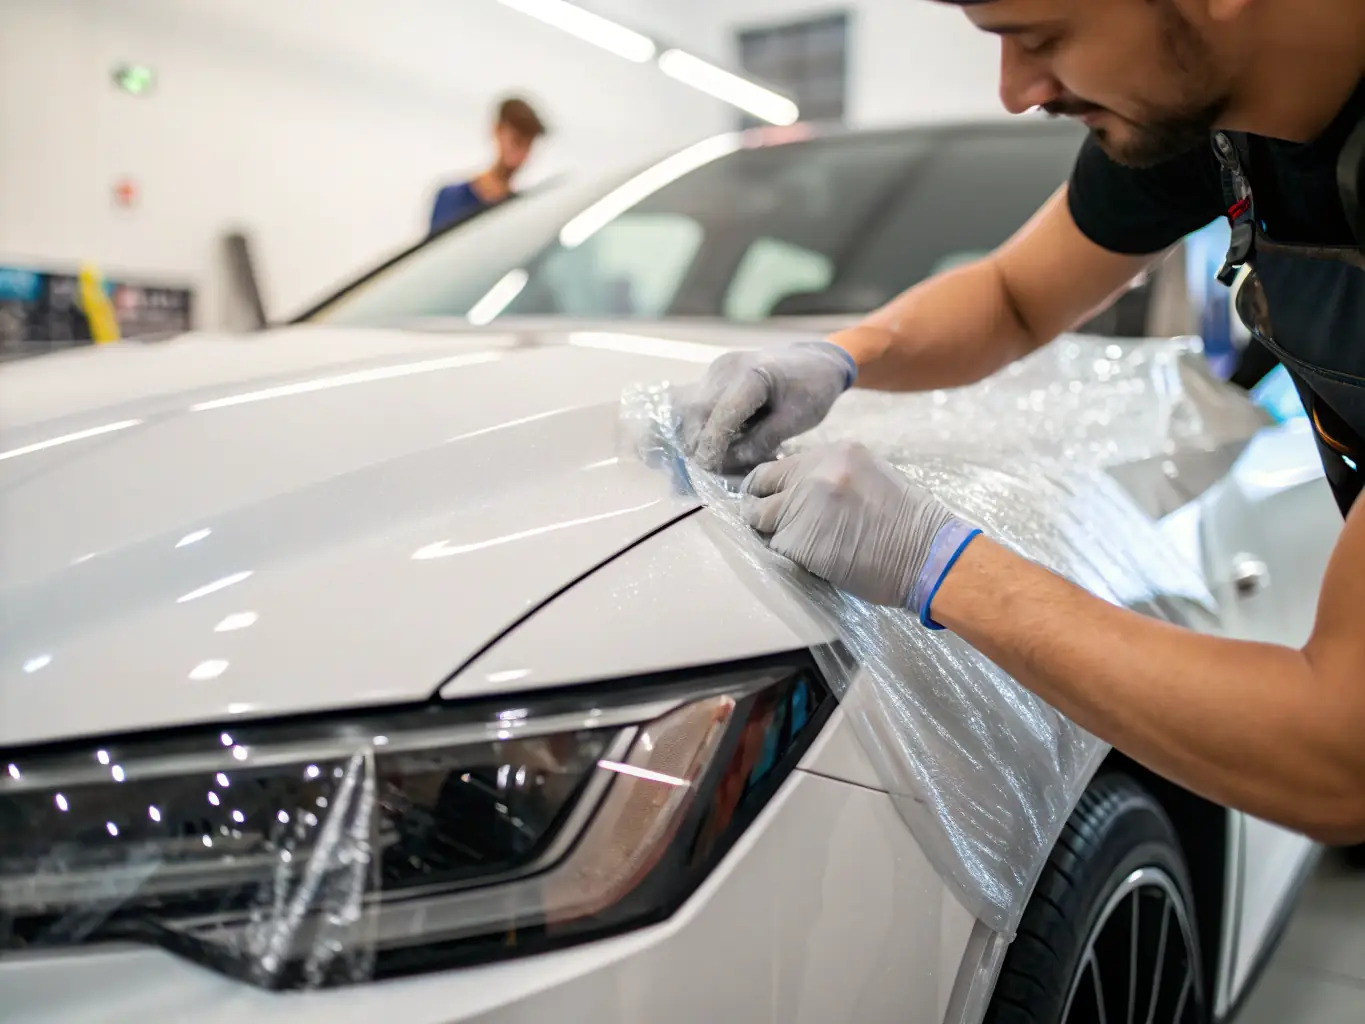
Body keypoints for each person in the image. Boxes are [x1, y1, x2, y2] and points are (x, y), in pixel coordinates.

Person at [681, 0, 1365, 845]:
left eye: (1038, 37)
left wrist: (938, 565)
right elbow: (1013, 297)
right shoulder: (1215, 123)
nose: (1013, 90)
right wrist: (842, 356)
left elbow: (1342, 751)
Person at [429, 97, 546, 235]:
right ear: (497, 131)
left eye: (528, 146)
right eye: (517, 141)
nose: (519, 156)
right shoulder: (451, 198)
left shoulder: (520, 213)